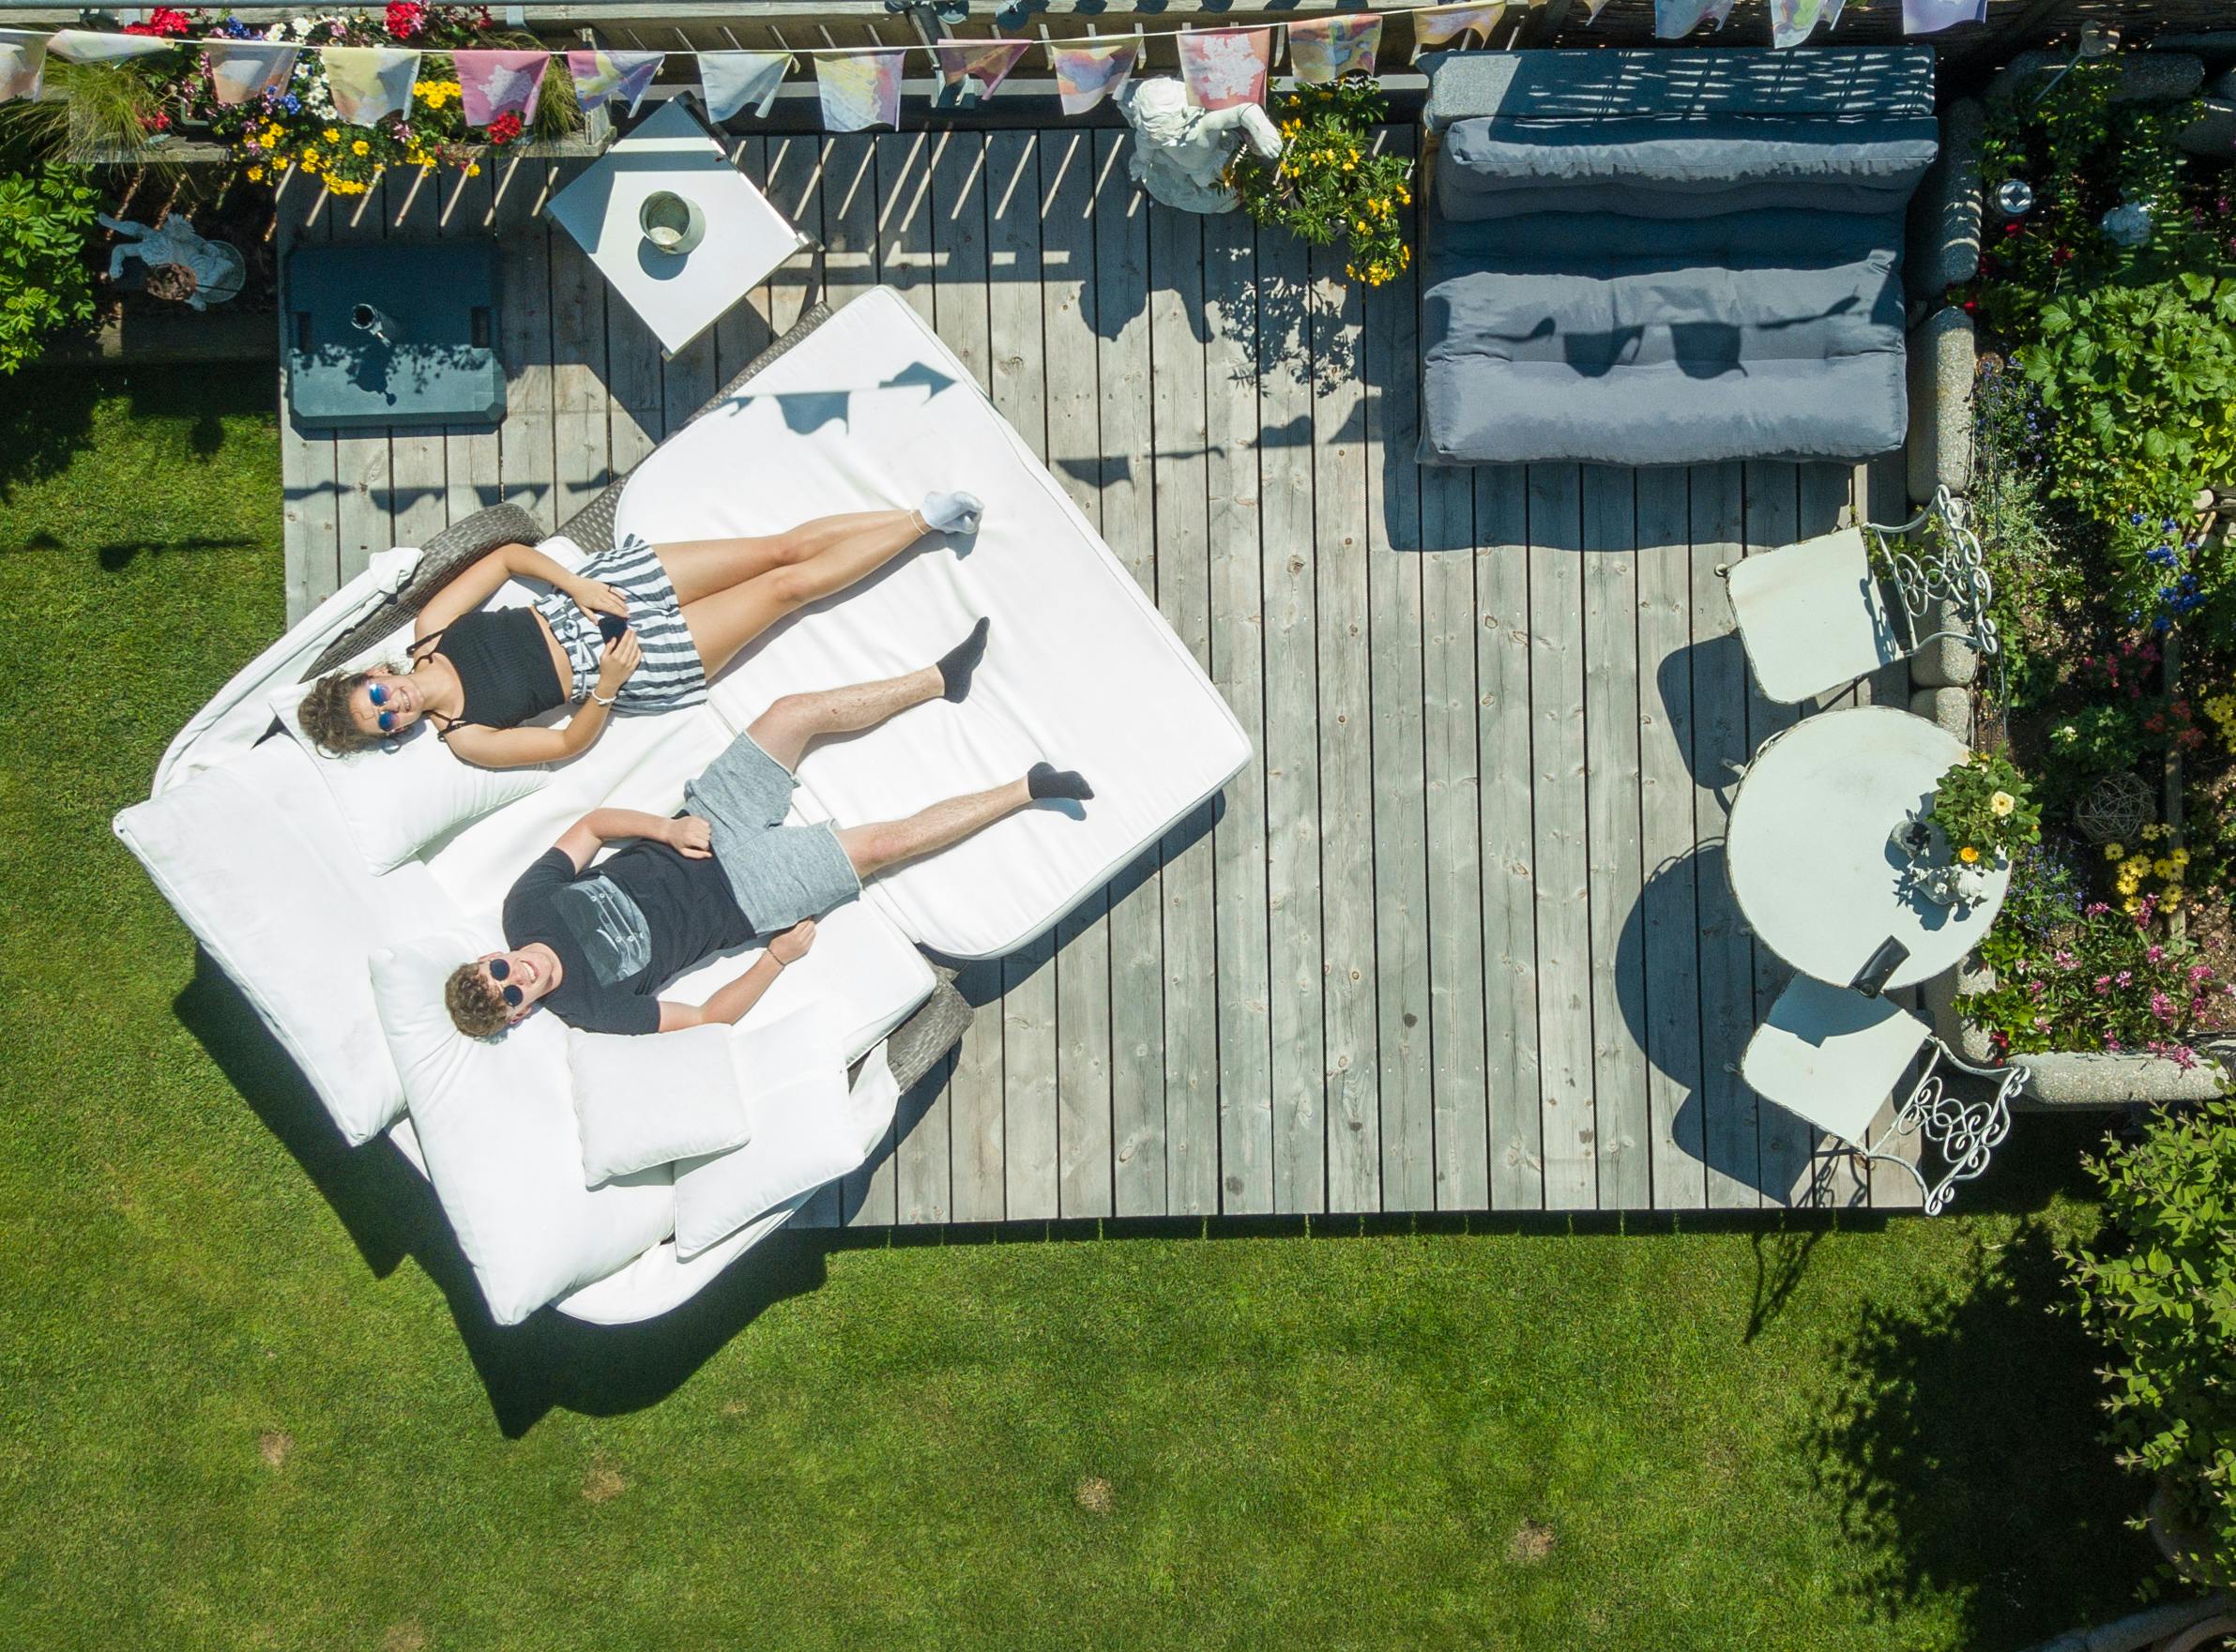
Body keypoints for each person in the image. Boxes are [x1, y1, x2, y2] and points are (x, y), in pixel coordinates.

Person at [444, 620, 1096, 1038]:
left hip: (700, 825)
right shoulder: (591, 1010)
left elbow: (591, 827)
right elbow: (707, 1017)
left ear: (488, 956)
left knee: (789, 714)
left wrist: (665, 832)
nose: (519, 973)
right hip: (750, 897)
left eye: (499, 969)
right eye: (512, 992)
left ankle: (938, 679)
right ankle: (1030, 787)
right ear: (520, 1012)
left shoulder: (524, 908)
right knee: (882, 846)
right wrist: (774, 959)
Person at [297, 489, 985, 768]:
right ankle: (926, 524)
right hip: (633, 660)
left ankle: (918, 514)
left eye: (376, 697)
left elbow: (506, 558)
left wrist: (575, 584)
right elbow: (564, 742)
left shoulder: (431, 627)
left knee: (775, 550)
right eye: (383, 723)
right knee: (787, 589)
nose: (392, 707)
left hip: (601, 594)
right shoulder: (466, 739)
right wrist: (606, 686)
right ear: (393, 734)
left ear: (376, 674)